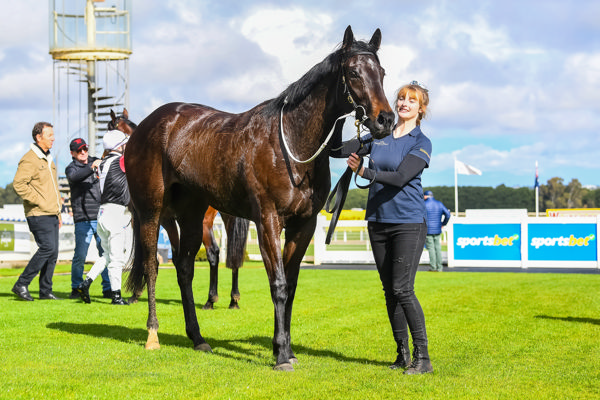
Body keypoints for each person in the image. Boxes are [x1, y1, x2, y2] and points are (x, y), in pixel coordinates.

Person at [331, 82, 433, 374]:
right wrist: (341, 115)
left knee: (403, 289)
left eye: (410, 101)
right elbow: (338, 149)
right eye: (400, 98)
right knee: (390, 291)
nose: (403, 104)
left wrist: (365, 172)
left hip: (409, 223)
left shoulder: (421, 142)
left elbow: (401, 177)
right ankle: (402, 355)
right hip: (378, 220)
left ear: (420, 109)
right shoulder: (380, 134)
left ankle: (422, 358)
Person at [77, 130, 132, 305]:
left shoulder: (103, 162)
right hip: (116, 212)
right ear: (119, 146)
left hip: (102, 212)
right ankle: (116, 296)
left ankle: (86, 282)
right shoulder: (122, 161)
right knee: (117, 258)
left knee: (107, 255)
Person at [11, 122, 62, 301]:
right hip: (38, 213)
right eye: (50, 135)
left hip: (51, 213)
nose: (53, 138)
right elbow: (19, 184)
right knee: (47, 248)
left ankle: (45, 291)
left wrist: (58, 212)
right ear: (38, 137)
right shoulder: (29, 159)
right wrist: (39, 201)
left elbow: (53, 189)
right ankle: (21, 284)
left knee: (53, 252)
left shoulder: (49, 159)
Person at [65, 138, 112, 299]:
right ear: (72, 153)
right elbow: (75, 178)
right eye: (79, 150)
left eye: (85, 148)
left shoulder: (96, 161)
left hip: (100, 216)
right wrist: (92, 167)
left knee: (104, 255)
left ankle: (108, 288)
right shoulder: (71, 168)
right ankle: (76, 288)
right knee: (80, 256)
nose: (83, 152)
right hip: (82, 219)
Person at [424, 190, 450, 272]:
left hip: (428, 229)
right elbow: (448, 214)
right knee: (438, 248)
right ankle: (440, 267)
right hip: (438, 228)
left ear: (425, 196)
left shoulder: (424, 204)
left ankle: (433, 267)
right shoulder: (439, 203)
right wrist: (443, 223)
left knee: (431, 248)